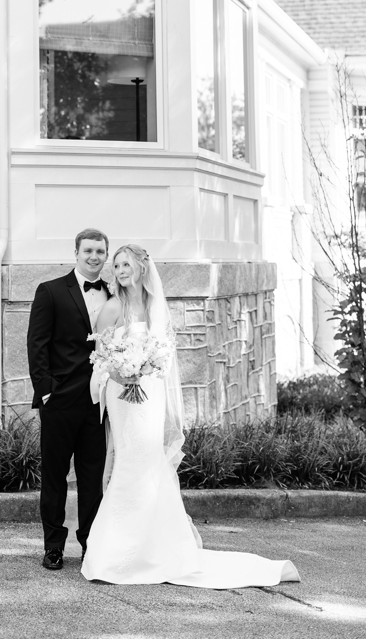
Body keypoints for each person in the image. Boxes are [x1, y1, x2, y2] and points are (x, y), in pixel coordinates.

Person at [81, 244, 299, 587]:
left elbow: (165, 357)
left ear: (140, 267)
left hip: (149, 395)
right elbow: (98, 361)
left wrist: (147, 365)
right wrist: (121, 373)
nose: (120, 270)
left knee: (150, 464)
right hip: (122, 397)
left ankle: (154, 548)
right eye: (117, 265)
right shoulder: (111, 309)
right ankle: (115, 555)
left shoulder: (155, 308)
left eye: (126, 264)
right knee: (127, 463)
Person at [26, 228, 112, 571]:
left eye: (100, 252)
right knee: (55, 476)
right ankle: (53, 547)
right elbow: (37, 345)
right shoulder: (50, 291)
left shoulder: (112, 293)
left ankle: (90, 545)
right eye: (88, 250)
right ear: (76, 252)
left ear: (106, 255)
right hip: (59, 401)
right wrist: (46, 390)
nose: (94, 257)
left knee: (93, 479)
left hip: (98, 404)